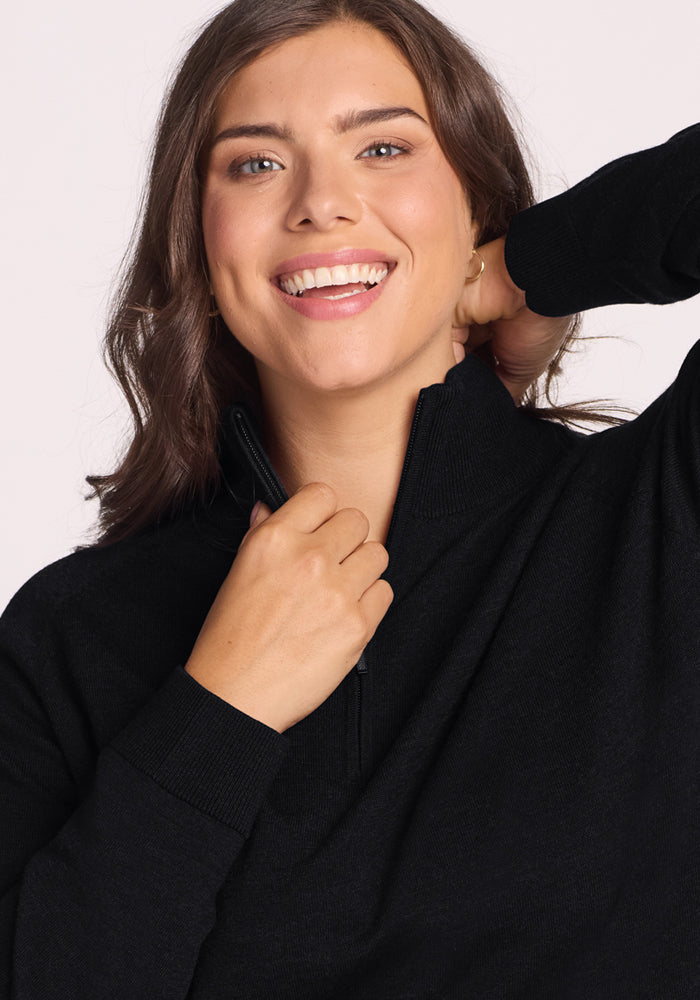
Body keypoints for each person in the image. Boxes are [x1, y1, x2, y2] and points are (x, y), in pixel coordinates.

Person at [0, 0, 698, 996]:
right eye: (255, 163)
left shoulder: (656, 520)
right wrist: (218, 714)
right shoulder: (70, 638)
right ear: (197, 241)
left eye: (382, 148)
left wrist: (533, 263)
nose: (320, 203)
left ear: (474, 202)